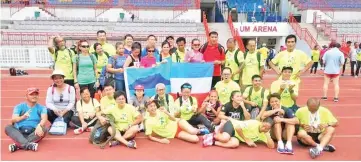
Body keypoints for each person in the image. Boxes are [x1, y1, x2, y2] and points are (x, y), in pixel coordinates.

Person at [5, 88, 47, 152]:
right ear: (26, 96)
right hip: (19, 131)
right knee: (8, 127)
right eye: (31, 94)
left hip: (34, 131)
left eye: (36, 94)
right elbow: (13, 120)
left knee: (44, 129)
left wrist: (40, 125)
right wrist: (22, 117)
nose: (34, 96)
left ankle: (18, 145)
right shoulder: (19, 106)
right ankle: (28, 145)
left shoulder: (42, 108)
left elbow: (44, 119)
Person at [202, 118, 274, 149]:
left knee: (235, 144)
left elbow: (271, 146)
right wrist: (246, 140)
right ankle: (214, 133)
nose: (264, 128)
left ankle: (213, 142)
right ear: (262, 122)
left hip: (237, 136)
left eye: (267, 128)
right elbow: (238, 128)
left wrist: (267, 134)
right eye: (264, 125)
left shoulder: (264, 133)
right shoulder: (254, 123)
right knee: (225, 139)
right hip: (233, 125)